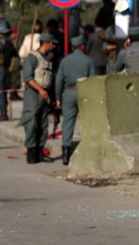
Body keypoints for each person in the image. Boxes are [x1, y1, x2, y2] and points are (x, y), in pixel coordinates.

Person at [55, 35, 96, 165]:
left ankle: (66, 154)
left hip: (69, 92)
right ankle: (89, 150)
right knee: (88, 121)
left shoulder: (65, 61)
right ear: (83, 46)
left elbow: (58, 81)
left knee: (68, 123)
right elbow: (93, 80)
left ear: (72, 48)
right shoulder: (89, 60)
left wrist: (57, 97)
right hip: (84, 92)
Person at [21, 33, 56, 164]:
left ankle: (40, 152)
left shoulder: (46, 59)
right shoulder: (31, 57)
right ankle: (31, 152)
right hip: (33, 94)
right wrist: (40, 90)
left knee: (43, 123)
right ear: (46, 43)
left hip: (44, 94)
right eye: (52, 43)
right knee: (31, 122)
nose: (54, 46)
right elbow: (28, 78)